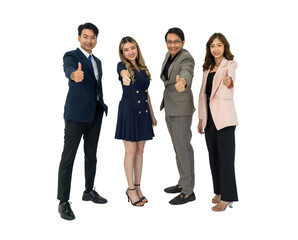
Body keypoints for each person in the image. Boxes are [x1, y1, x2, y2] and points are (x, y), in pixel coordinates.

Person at [57, 23, 108, 220]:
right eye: (85, 36)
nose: (89, 40)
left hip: (95, 113)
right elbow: (69, 69)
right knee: (68, 158)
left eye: (93, 37)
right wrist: (74, 75)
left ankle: (88, 191)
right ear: (79, 37)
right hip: (76, 115)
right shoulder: (71, 56)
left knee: (91, 155)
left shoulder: (98, 61)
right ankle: (63, 202)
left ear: (96, 39)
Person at [198, 33, 238, 212]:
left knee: (226, 159)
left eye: (219, 45)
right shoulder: (207, 68)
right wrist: (200, 119)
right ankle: (219, 191)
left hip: (224, 118)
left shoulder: (229, 64)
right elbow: (202, 95)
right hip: (209, 120)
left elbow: (231, 79)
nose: (216, 49)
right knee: (213, 157)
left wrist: (228, 81)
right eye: (212, 46)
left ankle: (228, 196)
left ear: (225, 47)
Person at [115, 37, 157, 207]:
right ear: (122, 53)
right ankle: (130, 189)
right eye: (126, 49)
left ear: (137, 49)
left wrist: (152, 115)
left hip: (144, 113)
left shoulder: (143, 68)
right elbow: (123, 73)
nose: (130, 52)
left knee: (140, 151)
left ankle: (138, 187)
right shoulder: (122, 66)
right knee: (131, 151)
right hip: (130, 111)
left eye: (133, 48)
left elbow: (146, 94)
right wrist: (125, 77)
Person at [160, 27, 196, 205]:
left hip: (181, 110)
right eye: (169, 41)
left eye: (176, 41)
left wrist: (184, 81)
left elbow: (187, 71)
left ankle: (189, 192)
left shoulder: (186, 57)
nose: (172, 45)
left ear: (183, 42)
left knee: (183, 149)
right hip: (170, 107)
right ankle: (183, 183)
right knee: (178, 148)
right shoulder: (169, 55)